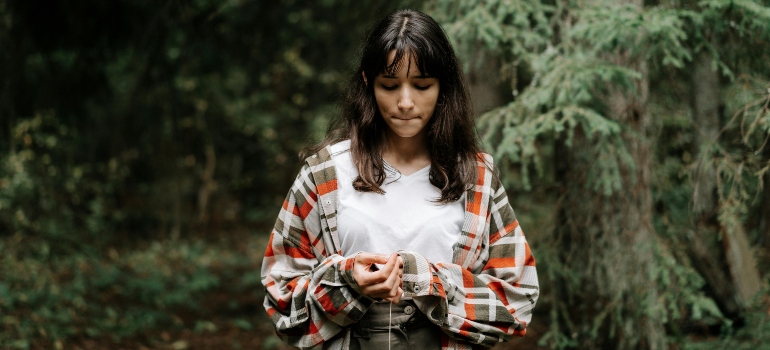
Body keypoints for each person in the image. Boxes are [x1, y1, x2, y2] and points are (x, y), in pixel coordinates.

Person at [261, 9, 539, 350]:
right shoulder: (325, 175)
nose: (405, 102)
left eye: (422, 85)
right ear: (368, 81)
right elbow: (280, 297)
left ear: (443, 85)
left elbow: (518, 296)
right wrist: (347, 281)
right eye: (389, 86)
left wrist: (429, 280)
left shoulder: (476, 179)